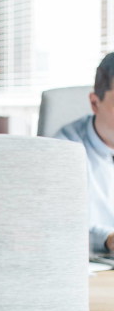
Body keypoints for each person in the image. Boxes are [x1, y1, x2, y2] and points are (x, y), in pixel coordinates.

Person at [55, 52, 114, 254]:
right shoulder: (64, 149)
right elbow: (56, 224)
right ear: (95, 103)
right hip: (90, 268)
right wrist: (108, 238)